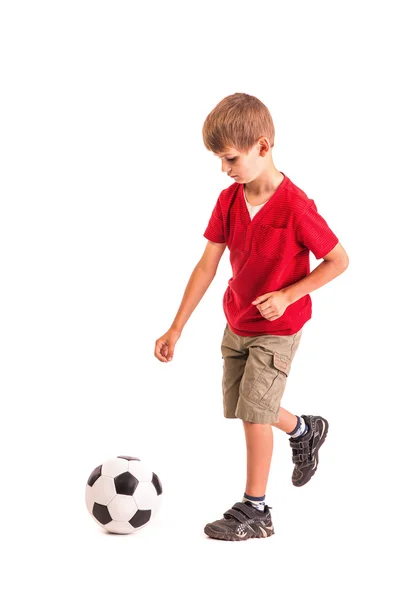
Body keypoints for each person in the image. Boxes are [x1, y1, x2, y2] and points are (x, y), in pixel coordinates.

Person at [154, 92, 349, 541]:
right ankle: (304, 429)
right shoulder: (228, 202)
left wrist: (287, 295)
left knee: (255, 414)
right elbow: (207, 265)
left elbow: (338, 260)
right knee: (247, 407)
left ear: (263, 147)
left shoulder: (296, 206)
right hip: (237, 321)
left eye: (229, 158)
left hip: (277, 328)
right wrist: (176, 327)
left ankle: (257, 509)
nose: (224, 169)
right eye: (220, 160)